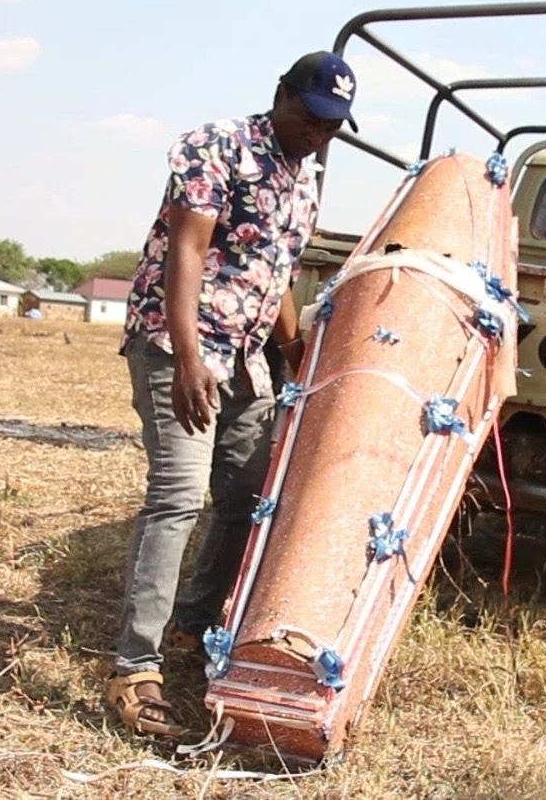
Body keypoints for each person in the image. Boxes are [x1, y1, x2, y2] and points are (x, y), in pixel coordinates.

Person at [105, 50, 358, 737]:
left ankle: (191, 627)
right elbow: (188, 249)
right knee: (178, 496)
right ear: (281, 95)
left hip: (246, 358)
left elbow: (276, 276)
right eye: (309, 116)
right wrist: (187, 359)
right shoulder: (217, 146)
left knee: (249, 495)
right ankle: (133, 669)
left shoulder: (303, 183)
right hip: (177, 344)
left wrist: (295, 350)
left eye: (331, 125)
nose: (317, 132)